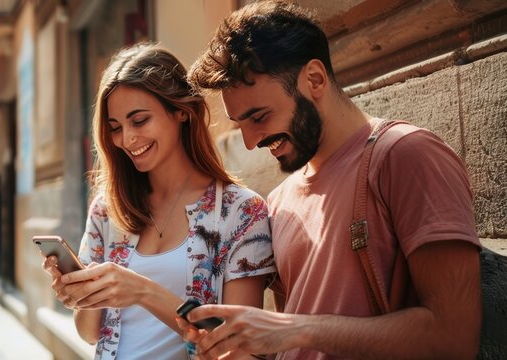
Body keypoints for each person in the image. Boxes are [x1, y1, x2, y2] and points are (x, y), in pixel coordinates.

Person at [176, 2, 481, 359]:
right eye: (240, 124)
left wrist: (292, 329)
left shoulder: (406, 155)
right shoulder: (278, 203)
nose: (250, 141)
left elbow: (454, 338)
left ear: (315, 79)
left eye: (259, 116)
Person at [41, 43, 276, 360]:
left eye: (139, 121)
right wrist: (80, 293)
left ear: (181, 110)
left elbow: (238, 349)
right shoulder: (107, 209)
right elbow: (90, 332)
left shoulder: (240, 212)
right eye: (115, 128)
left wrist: (143, 291)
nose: (127, 139)